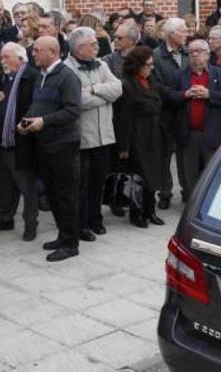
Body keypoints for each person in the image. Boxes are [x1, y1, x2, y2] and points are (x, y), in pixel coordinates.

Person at [18, 36, 81, 262]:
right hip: (44, 145)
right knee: (53, 195)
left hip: (63, 145)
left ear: (52, 53)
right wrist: (26, 121)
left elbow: (73, 111)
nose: (33, 54)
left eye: (37, 50)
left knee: (65, 196)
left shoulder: (67, 77)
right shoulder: (41, 76)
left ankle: (71, 244)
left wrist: (43, 122)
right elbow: (37, 105)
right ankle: (63, 236)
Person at [65, 27, 122, 239]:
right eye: (94, 44)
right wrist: (105, 94)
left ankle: (96, 219)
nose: (98, 47)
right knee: (82, 185)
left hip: (104, 136)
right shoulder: (67, 69)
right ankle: (81, 224)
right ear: (80, 49)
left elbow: (118, 89)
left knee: (98, 181)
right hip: (84, 138)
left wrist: (95, 89)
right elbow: (78, 101)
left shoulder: (102, 65)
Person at [0, 42, 40, 241]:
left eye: (7, 57)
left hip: (22, 143)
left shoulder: (31, 77)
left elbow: (37, 105)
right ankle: (5, 218)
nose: (3, 61)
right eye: (1, 57)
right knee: (5, 186)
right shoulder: (1, 77)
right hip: (2, 143)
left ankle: (31, 223)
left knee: (27, 187)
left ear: (20, 58)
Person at [165, 39, 221, 193]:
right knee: (190, 176)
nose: (195, 55)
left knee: (212, 174)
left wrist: (209, 94)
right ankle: (191, 205)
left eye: (199, 51)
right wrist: (185, 94)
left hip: (212, 132)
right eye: (191, 52)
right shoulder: (178, 76)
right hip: (189, 134)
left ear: (208, 54)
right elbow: (169, 97)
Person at [115, 46, 166, 228]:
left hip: (153, 135)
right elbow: (123, 118)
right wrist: (124, 147)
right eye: (148, 65)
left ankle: (150, 211)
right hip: (136, 137)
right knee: (138, 177)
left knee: (152, 175)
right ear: (137, 65)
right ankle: (136, 213)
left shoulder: (150, 80)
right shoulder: (127, 85)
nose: (151, 68)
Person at [152, 18, 188, 209]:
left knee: (184, 154)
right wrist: (179, 95)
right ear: (171, 34)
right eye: (183, 31)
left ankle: (187, 190)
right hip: (165, 113)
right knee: (165, 155)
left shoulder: (187, 53)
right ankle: (165, 192)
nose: (186, 34)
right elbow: (157, 85)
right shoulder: (157, 56)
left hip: (186, 112)